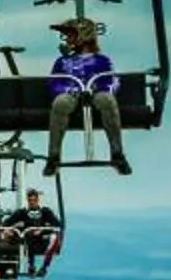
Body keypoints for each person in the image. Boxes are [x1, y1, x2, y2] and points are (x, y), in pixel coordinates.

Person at [44, 18, 130, 175]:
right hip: (72, 95)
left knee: (107, 100)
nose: (67, 39)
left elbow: (112, 81)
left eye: (70, 35)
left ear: (83, 36)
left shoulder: (102, 61)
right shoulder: (63, 62)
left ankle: (117, 152)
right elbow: (54, 83)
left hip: (95, 94)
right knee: (60, 103)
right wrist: (71, 89)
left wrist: (97, 88)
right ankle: (53, 156)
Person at [16, 187, 64, 274]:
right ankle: (31, 265)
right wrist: (14, 227)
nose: (32, 202)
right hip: (30, 238)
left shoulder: (45, 212)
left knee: (54, 237)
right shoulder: (22, 212)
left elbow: (57, 225)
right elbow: (8, 222)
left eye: (34, 200)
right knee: (29, 235)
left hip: (43, 238)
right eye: (30, 200)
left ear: (37, 200)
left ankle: (44, 267)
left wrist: (42, 230)